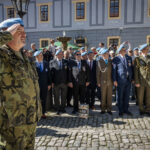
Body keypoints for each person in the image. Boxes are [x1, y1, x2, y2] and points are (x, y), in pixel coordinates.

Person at [0, 18, 42, 150]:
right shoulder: (3, 55)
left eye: (24, 31)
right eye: (19, 31)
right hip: (10, 126)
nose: (24, 35)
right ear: (8, 33)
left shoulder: (25, 57)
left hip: (29, 121)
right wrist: (7, 35)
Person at [112, 42, 133, 116]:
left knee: (127, 96)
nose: (125, 51)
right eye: (123, 50)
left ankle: (126, 109)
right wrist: (114, 80)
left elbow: (131, 69)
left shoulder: (129, 58)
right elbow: (114, 70)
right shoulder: (116, 59)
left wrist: (132, 78)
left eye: (125, 50)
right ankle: (121, 110)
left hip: (128, 80)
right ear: (120, 51)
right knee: (120, 96)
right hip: (120, 80)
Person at [49, 49, 69, 115]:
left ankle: (63, 108)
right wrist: (51, 82)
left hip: (64, 82)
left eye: (61, 54)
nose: (60, 55)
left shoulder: (66, 61)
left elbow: (69, 72)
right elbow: (51, 73)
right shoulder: (52, 62)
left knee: (64, 96)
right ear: (56, 55)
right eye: (59, 54)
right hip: (56, 82)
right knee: (56, 96)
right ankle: (57, 108)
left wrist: (69, 81)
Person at [34, 50, 51, 119]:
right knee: (36, 99)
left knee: (43, 99)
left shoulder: (46, 63)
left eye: (42, 55)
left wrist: (49, 83)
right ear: (36, 57)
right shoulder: (33, 64)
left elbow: (49, 74)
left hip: (44, 85)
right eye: (40, 56)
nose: (42, 57)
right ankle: (36, 113)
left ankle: (43, 113)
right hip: (36, 85)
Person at [134, 44, 150, 116]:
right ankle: (141, 109)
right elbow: (136, 71)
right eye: (146, 49)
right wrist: (137, 81)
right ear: (143, 50)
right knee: (140, 97)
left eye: (148, 49)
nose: (148, 50)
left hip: (149, 81)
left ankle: (148, 109)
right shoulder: (137, 59)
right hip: (141, 81)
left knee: (148, 96)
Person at [97, 48, 113, 114]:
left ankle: (109, 109)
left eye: (107, 53)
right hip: (102, 81)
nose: (107, 55)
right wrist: (98, 82)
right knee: (103, 96)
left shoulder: (110, 61)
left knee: (109, 96)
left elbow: (113, 71)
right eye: (106, 54)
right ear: (103, 55)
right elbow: (98, 73)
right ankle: (103, 109)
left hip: (110, 81)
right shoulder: (99, 61)